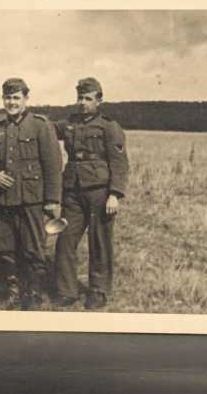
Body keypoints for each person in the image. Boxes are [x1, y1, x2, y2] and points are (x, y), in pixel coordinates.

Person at [0, 78, 62, 310]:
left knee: (33, 247)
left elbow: (52, 164)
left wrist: (52, 199)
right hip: (4, 199)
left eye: (16, 97)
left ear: (26, 99)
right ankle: (13, 291)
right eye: (7, 98)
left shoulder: (40, 125)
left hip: (32, 198)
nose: (11, 102)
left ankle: (33, 293)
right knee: (5, 247)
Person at [53, 77, 129, 310]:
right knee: (65, 240)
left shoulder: (109, 126)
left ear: (99, 100)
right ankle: (67, 291)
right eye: (80, 98)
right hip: (72, 191)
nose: (83, 103)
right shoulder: (69, 123)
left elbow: (119, 163)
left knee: (99, 242)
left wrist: (114, 194)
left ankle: (98, 291)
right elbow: (46, 129)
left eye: (88, 98)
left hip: (99, 191)